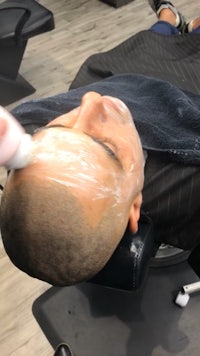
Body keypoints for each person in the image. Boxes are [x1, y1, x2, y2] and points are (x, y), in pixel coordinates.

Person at [0, 0, 200, 287]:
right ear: (134, 207)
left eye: (56, 127)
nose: (91, 101)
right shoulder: (188, 189)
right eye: (107, 147)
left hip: (118, 70)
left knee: (147, 41)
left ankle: (168, 20)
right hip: (189, 82)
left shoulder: (25, 125)